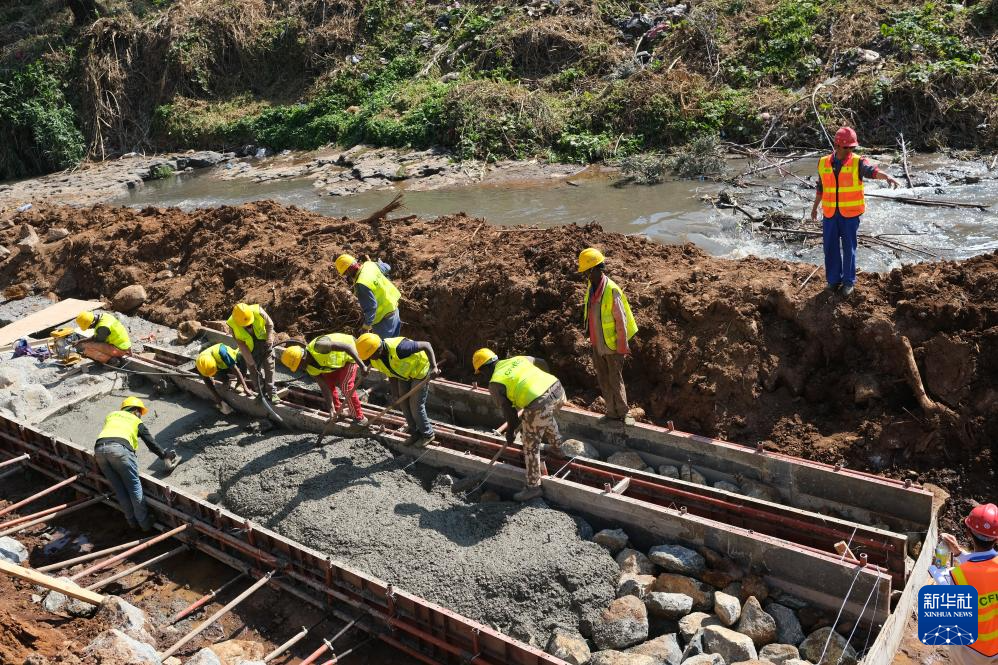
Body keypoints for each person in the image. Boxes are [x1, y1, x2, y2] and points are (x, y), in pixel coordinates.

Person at [810, 127, 901, 296]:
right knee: (830, 248)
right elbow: (820, 187)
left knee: (849, 247)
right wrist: (815, 207)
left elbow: (871, 171)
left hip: (849, 215)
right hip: (829, 214)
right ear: (837, 145)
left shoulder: (858, 162)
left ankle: (848, 282)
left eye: (852, 147)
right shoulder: (823, 162)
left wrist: (886, 176)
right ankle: (833, 280)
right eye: (847, 147)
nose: (850, 150)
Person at [472, 348, 566, 502]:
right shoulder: (517, 359)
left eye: (482, 373)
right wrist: (544, 385)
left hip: (540, 403)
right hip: (557, 389)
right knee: (543, 416)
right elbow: (541, 362)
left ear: (484, 368)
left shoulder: (495, 383)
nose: (483, 377)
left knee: (530, 444)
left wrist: (510, 433)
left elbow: (512, 417)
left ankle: (533, 487)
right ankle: (557, 448)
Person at [94, 397, 177, 531]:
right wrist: (164, 455)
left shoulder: (111, 415)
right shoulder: (136, 420)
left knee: (120, 490)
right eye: (140, 412)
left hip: (99, 450)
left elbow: (114, 430)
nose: (140, 415)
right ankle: (144, 524)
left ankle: (131, 522)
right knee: (134, 488)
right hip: (120, 451)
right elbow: (150, 442)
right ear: (135, 411)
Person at [577, 247, 638, 426]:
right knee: (603, 378)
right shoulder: (591, 286)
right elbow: (590, 311)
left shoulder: (612, 290)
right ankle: (611, 412)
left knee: (615, 378)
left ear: (596, 269)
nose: (586, 275)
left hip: (613, 344)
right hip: (598, 343)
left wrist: (622, 346)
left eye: (587, 271)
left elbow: (621, 320)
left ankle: (624, 413)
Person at [933, 503, 998, 664]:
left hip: (971, 649)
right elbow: (984, 564)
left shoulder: (959, 575)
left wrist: (936, 571)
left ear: (968, 533)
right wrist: (959, 553)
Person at [357, 333, 439, 447]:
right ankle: (414, 434)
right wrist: (395, 394)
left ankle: (428, 434)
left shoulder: (401, 348)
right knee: (403, 403)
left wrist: (434, 366)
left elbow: (427, 345)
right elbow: (390, 373)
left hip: (420, 371)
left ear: (378, 349)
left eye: (370, 355)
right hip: (403, 374)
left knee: (415, 406)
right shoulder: (377, 358)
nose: (370, 359)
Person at [281, 333, 370, 426]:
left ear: (303, 358)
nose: (300, 368)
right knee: (328, 384)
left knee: (345, 385)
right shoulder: (310, 368)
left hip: (350, 354)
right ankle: (337, 412)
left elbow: (348, 347)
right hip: (334, 363)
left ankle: (360, 418)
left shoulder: (320, 346)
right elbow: (324, 387)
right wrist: (331, 409)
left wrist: (362, 366)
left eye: (299, 365)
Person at [335, 254, 402, 337]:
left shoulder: (361, 283)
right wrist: (379, 264)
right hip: (394, 309)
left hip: (383, 319)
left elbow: (371, 308)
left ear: (349, 269)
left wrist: (366, 327)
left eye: (345, 273)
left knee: (384, 347)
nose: (347, 276)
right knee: (395, 344)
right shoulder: (369, 265)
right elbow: (387, 267)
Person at [226, 303, 277, 401]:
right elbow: (241, 343)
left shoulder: (258, 311)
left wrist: (269, 338)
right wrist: (250, 361)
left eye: (249, 323)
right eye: (246, 325)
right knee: (253, 369)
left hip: (264, 341)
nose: (248, 326)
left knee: (269, 366)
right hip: (249, 347)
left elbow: (270, 325)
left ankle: (272, 392)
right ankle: (261, 392)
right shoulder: (232, 324)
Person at [195, 343, 250, 414]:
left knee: (241, 356)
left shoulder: (222, 352)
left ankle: (241, 381)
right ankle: (225, 379)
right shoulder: (200, 364)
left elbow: (235, 369)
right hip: (221, 366)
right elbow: (206, 380)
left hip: (234, 361)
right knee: (223, 381)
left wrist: (244, 386)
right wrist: (218, 398)